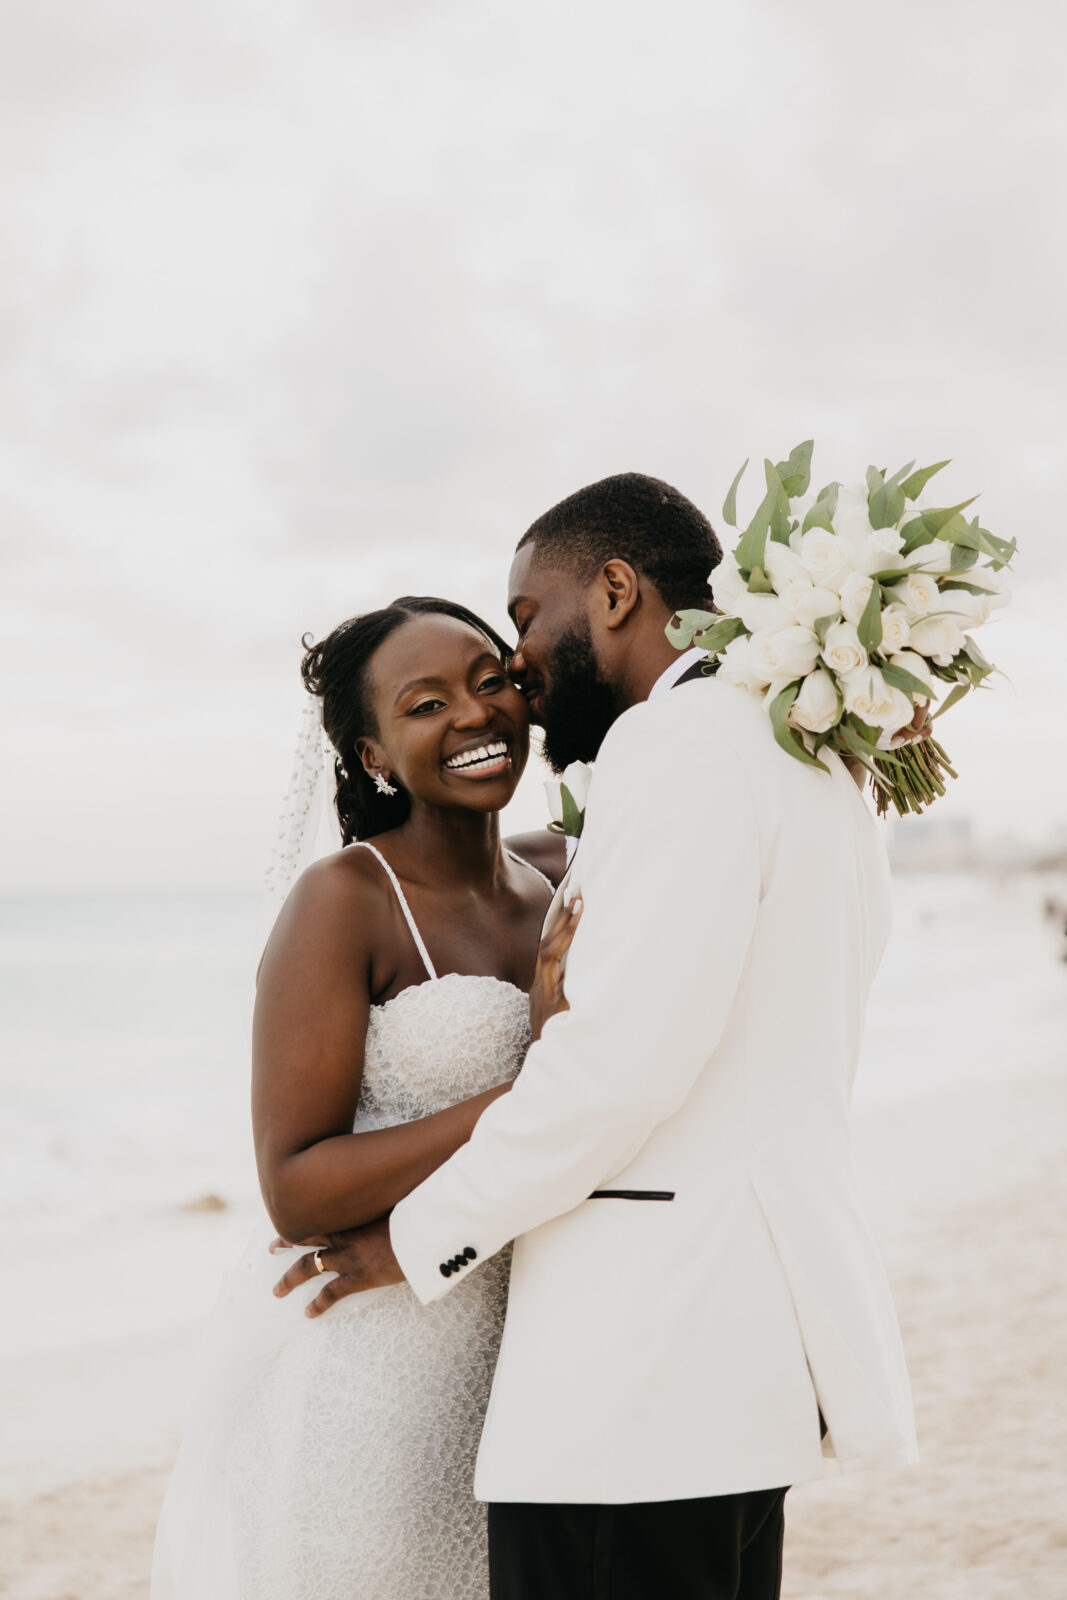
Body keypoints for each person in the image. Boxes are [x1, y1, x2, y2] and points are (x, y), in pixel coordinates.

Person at [276, 474, 919, 1600]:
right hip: (736, 1363)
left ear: (614, 590)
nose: (515, 667)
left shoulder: (681, 747)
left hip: (632, 1377)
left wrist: (416, 1240)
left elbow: (612, 1075)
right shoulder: (813, 753)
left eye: (523, 620)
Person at [152, 595, 579, 1600]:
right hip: (369, 1372)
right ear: (373, 752)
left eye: (488, 681)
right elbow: (297, 1188)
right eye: (425, 703)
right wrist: (530, 1092)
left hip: (524, 1368)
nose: (474, 715)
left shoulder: (558, 884)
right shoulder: (347, 899)